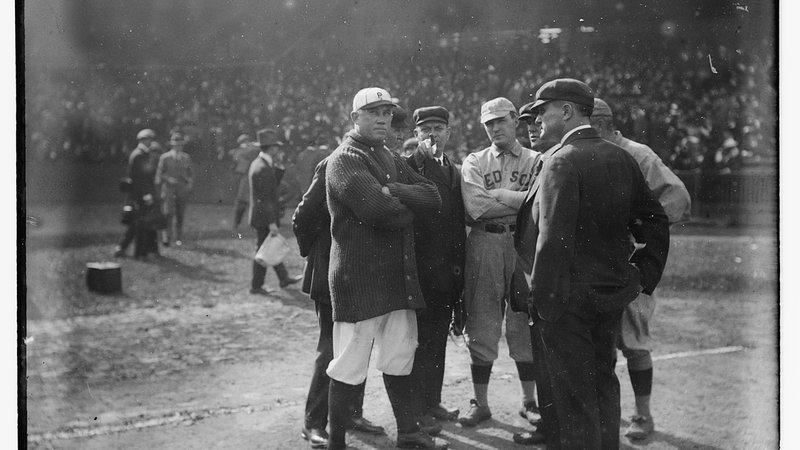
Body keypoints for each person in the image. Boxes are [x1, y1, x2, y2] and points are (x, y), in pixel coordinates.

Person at [518, 78, 670, 448]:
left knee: (573, 400)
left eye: (543, 111)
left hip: (565, 301)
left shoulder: (561, 160)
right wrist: (641, 275)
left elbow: (552, 241)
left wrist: (543, 302)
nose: (537, 120)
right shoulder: (620, 156)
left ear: (566, 111)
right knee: (603, 386)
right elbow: (656, 221)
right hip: (608, 296)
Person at [325, 87, 445, 450]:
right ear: (354, 117)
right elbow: (378, 211)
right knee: (349, 365)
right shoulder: (345, 158)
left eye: (387, 113)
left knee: (400, 358)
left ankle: (409, 434)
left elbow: (433, 196)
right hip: (359, 280)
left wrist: (393, 190)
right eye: (373, 112)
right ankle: (335, 443)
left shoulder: (390, 156)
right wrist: (404, 205)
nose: (382, 119)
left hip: (396, 279)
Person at [591, 97, 692, 440]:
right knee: (600, 341)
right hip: (599, 263)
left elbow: (678, 198)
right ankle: (605, 413)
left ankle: (643, 414)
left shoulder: (637, 153)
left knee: (633, 339)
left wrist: (640, 229)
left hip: (631, 263)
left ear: (600, 124)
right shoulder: (591, 153)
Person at [458, 97, 541, 428]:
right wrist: (522, 201)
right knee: (481, 320)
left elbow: (542, 204)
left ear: (515, 120)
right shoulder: (474, 161)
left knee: (524, 320)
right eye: (488, 123)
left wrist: (502, 196)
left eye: (500, 120)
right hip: (484, 243)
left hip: (524, 244)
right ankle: (480, 403)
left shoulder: (537, 159)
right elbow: (477, 207)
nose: (495, 128)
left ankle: (529, 401)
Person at [293, 158, 385, 449]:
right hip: (331, 271)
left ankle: (350, 415)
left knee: (361, 343)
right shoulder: (332, 163)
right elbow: (302, 216)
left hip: (363, 272)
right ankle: (314, 422)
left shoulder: (377, 162)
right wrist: (319, 254)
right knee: (331, 348)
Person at [404, 106, 466, 434]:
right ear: (416, 134)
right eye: (425, 128)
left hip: (445, 274)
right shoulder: (409, 166)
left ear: (448, 133)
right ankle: (417, 411)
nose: (432, 134)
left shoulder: (452, 169)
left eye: (438, 128)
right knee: (419, 343)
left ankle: (433, 401)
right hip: (419, 272)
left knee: (438, 340)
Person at [248, 128, 303, 295]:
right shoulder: (263, 168)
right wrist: (271, 222)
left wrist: (278, 167)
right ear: (271, 148)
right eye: (276, 147)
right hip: (264, 216)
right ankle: (256, 286)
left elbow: (272, 187)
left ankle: (283, 278)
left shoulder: (261, 164)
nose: (278, 150)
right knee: (263, 249)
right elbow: (266, 199)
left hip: (261, 214)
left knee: (267, 246)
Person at [114, 128, 162, 260]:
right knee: (139, 224)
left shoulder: (140, 154)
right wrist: (147, 195)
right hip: (140, 195)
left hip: (138, 194)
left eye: (150, 139)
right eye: (148, 139)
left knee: (137, 224)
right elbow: (141, 178)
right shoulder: (139, 155)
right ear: (142, 140)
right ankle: (138, 252)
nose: (150, 142)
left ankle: (124, 248)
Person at [155, 131, 194, 247]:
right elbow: (160, 174)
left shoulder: (186, 158)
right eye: (176, 145)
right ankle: (167, 238)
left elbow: (190, 174)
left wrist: (189, 183)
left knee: (180, 214)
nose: (178, 147)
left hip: (181, 190)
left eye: (180, 145)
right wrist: (168, 179)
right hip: (168, 189)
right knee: (168, 214)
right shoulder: (165, 157)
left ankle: (178, 238)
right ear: (172, 145)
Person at [230, 134, 260, 232]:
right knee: (242, 201)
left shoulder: (254, 149)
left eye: (246, 141)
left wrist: (251, 146)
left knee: (254, 202)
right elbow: (237, 158)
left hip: (255, 176)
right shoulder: (241, 151)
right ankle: (236, 223)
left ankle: (254, 223)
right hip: (246, 178)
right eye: (243, 142)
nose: (245, 143)